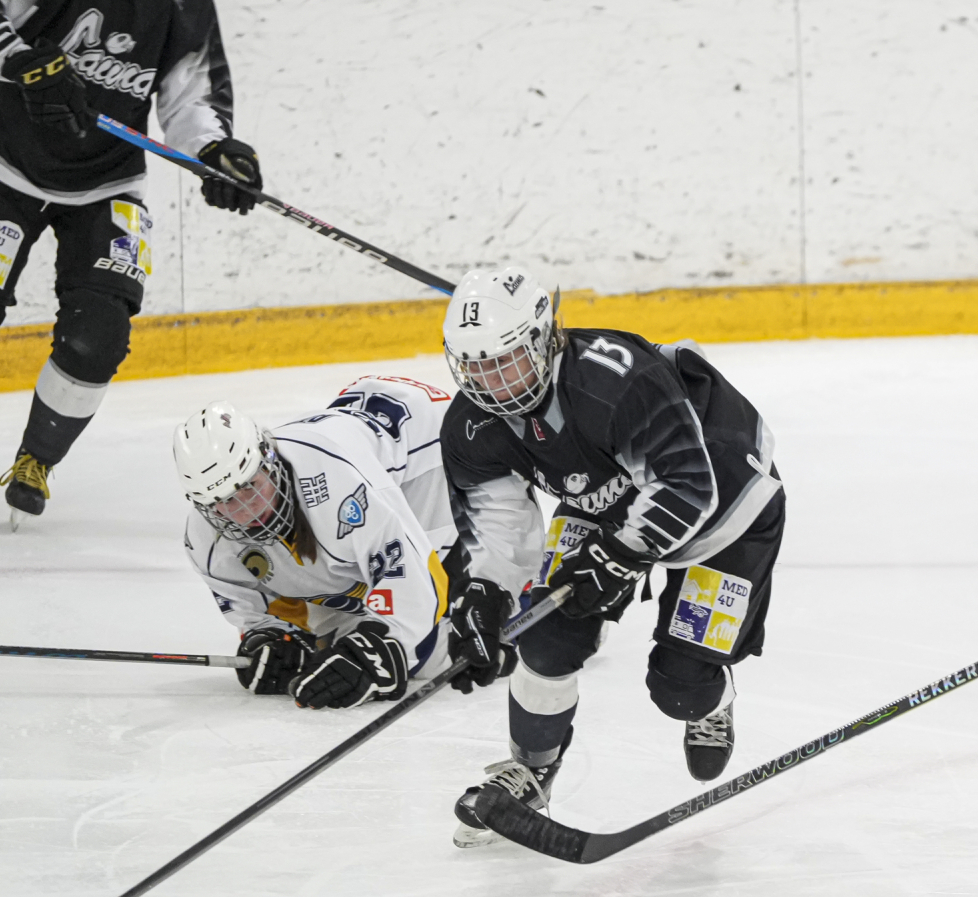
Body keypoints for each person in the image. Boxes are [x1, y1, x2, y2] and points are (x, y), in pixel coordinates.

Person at [437, 265, 784, 848]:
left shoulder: (615, 380)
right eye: (475, 368)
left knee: (680, 687)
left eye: (506, 362)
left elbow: (687, 484)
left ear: (544, 340)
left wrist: (621, 554)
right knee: (545, 640)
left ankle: (712, 700)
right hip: (602, 501)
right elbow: (496, 526)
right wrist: (482, 594)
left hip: (725, 506)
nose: (491, 385)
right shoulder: (471, 425)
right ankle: (532, 772)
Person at [0, 0, 260, 526]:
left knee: (99, 334)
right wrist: (17, 59)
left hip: (108, 181)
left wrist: (215, 152)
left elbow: (191, 96)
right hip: (3, 163)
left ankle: (36, 460)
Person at [174, 375, 481, 710]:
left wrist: (378, 651)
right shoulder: (206, 541)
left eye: (249, 487)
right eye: (225, 502)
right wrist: (273, 640)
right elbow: (259, 613)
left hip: (430, 450)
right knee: (333, 650)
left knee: (434, 651)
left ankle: (512, 598)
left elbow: (413, 578)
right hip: (359, 444)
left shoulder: (336, 482)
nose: (246, 511)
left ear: (268, 458)